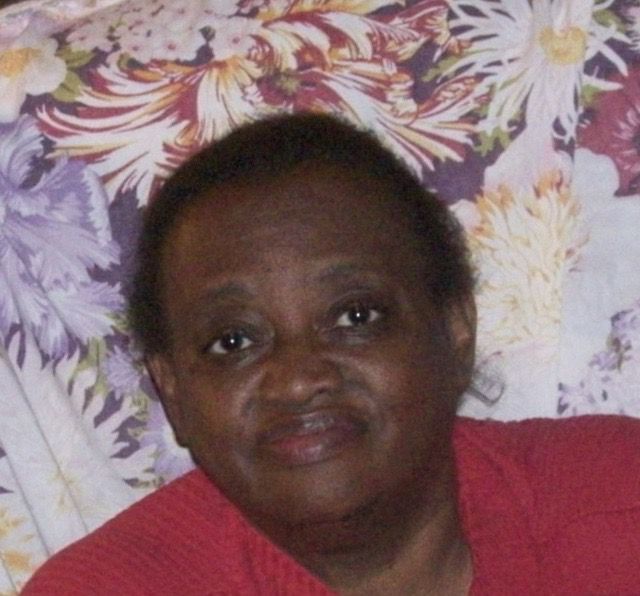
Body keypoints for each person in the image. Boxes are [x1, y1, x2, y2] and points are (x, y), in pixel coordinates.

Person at [23, 113, 640, 595]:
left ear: (455, 331)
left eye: (355, 318)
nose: (297, 380)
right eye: (233, 342)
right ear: (173, 393)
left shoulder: (617, 497)